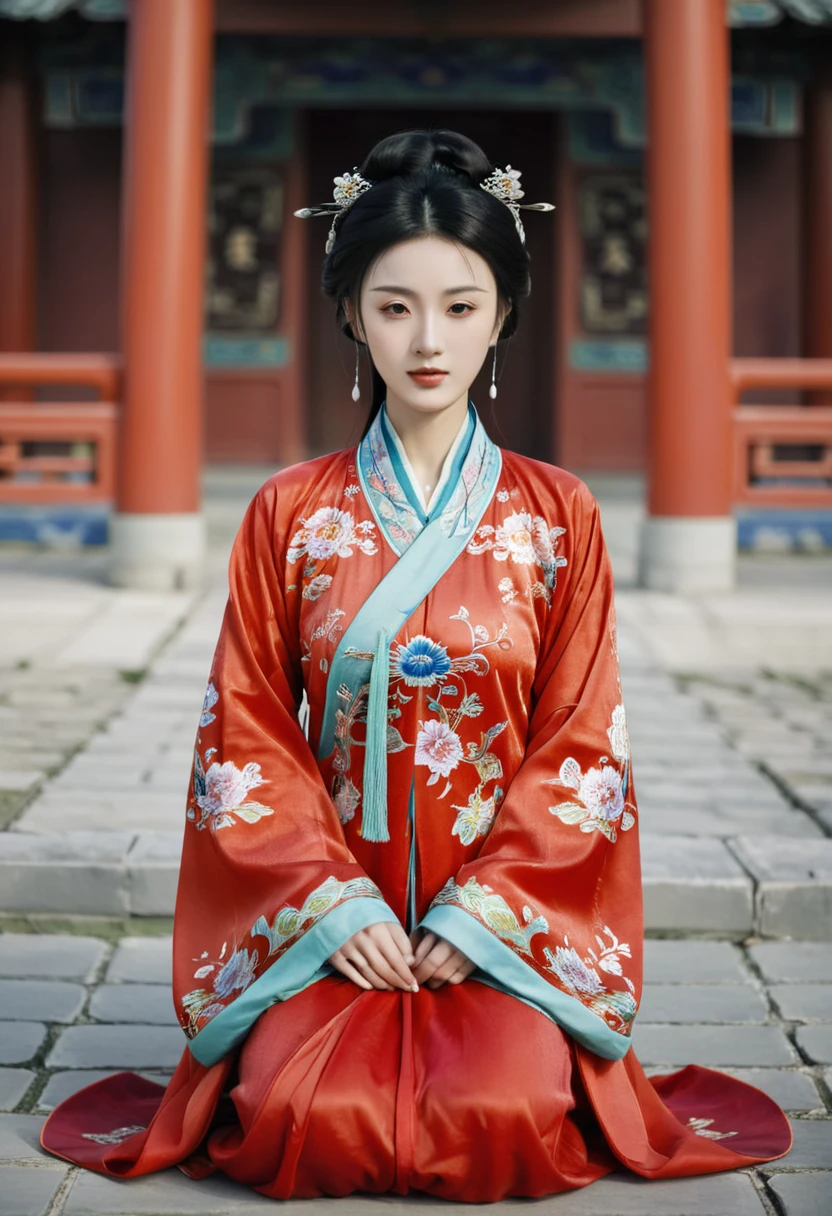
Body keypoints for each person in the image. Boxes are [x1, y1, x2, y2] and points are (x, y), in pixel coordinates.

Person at [41, 128, 791, 1202]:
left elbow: (585, 742)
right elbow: (243, 732)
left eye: (459, 305)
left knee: (505, 1119)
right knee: (305, 1116)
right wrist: (332, 908)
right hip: (328, 921)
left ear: (503, 317)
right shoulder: (289, 512)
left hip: (495, 924)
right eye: (394, 306)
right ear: (351, 314)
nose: (427, 339)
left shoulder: (557, 514)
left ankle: (505, 1000)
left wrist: (480, 917)